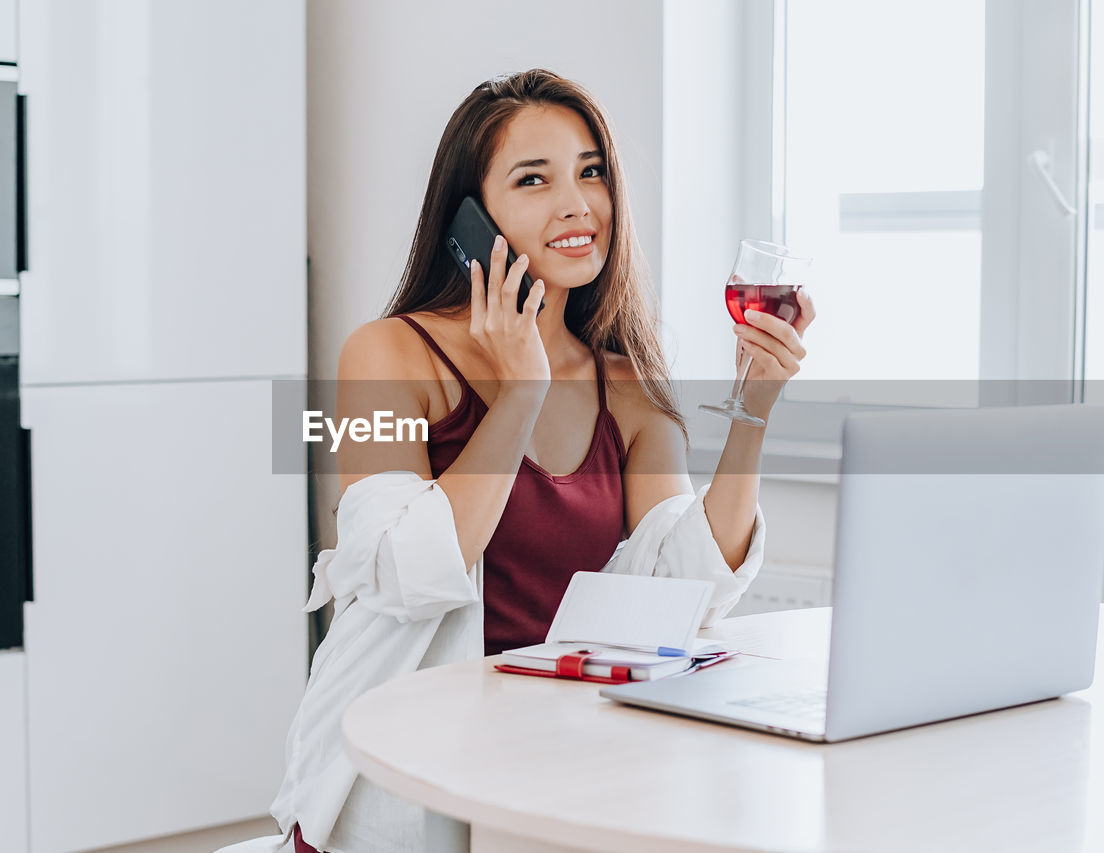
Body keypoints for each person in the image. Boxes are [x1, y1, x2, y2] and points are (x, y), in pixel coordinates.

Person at [271, 69, 815, 853]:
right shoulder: (389, 353)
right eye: (535, 179)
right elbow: (410, 571)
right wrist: (519, 392)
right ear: (471, 216)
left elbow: (687, 589)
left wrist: (755, 403)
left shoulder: (625, 384)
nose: (577, 203)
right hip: (408, 773)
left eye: (591, 171)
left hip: (565, 762)